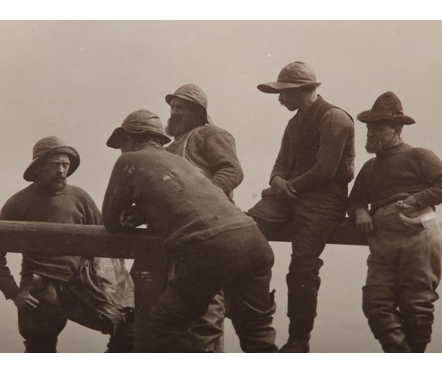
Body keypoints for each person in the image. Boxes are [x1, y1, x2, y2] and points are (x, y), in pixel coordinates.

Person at [102, 110, 277, 353]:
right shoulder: (182, 162)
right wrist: (144, 211)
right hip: (254, 240)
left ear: (130, 139)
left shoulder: (128, 161)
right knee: (256, 332)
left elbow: (110, 220)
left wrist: (132, 214)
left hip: (212, 247)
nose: (121, 151)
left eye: (121, 144)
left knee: (165, 327)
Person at [0, 136, 134, 353]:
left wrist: (109, 285)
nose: (61, 171)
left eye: (65, 165)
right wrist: (15, 293)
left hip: (81, 283)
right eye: (55, 165)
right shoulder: (18, 203)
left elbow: (106, 246)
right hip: (40, 286)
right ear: (38, 168)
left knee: (128, 327)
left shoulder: (80, 198)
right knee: (40, 348)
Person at [247, 61, 355, 353]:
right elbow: (281, 161)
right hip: (288, 195)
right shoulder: (294, 123)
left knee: (303, 267)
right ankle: (255, 320)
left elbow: (326, 171)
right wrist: (277, 180)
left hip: (323, 201)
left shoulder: (335, 118)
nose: (280, 99)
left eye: (285, 93)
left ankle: (298, 341)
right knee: (244, 236)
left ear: (304, 90)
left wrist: (285, 186)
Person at [348, 92, 442, 353]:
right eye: (368, 127)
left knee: (417, 306)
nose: (370, 133)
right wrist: (360, 213)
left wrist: (416, 199)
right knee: (375, 304)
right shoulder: (369, 168)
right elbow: (354, 200)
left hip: (418, 236)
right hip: (382, 243)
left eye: (378, 128)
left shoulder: (419, 156)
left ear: (397, 130)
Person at [163, 83, 244, 352]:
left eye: (180, 108)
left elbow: (232, 171)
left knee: (208, 309)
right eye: (172, 108)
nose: (173, 113)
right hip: (179, 234)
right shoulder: (170, 148)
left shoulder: (210, 134)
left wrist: (204, 197)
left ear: (198, 112)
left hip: (210, 230)